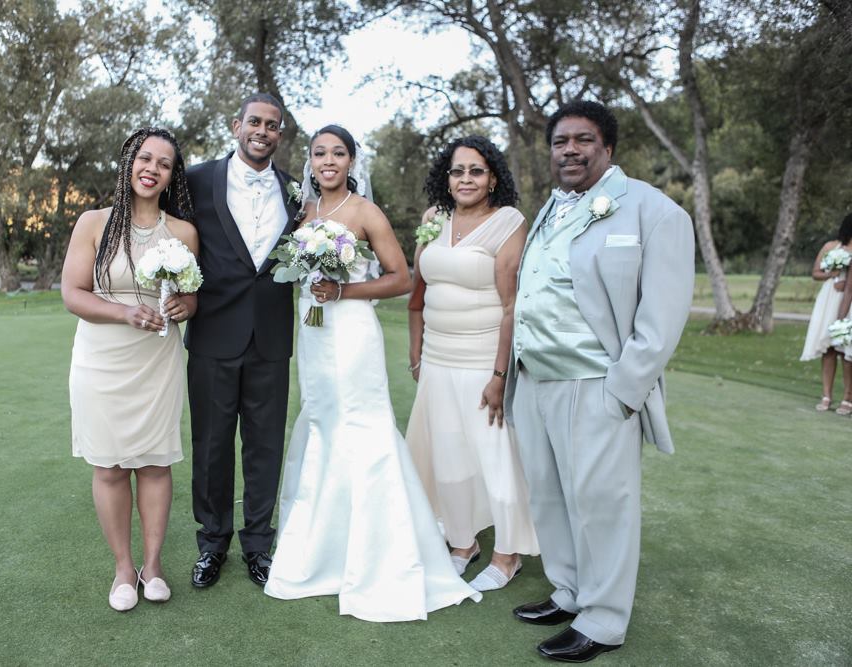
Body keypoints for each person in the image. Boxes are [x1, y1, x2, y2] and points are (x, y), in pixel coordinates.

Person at [263, 125, 481, 621]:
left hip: (352, 331)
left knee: (362, 427)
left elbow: (401, 278)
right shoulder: (302, 212)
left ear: (351, 161)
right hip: (314, 334)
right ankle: (320, 550)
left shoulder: (365, 212)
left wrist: (343, 292)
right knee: (321, 422)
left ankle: (380, 555)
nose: (328, 161)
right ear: (311, 161)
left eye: (338, 153)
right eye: (320, 153)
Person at [506, 101, 694, 662]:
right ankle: (569, 591)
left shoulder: (654, 212)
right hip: (536, 380)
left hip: (597, 383)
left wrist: (622, 391)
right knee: (550, 496)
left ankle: (605, 620)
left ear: (607, 147)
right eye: (560, 141)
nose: (570, 149)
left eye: (583, 140)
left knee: (601, 504)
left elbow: (660, 322)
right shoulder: (550, 208)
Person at [62, 127, 199, 611]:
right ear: (128, 163)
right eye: (145, 158)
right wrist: (123, 312)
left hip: (156, 359)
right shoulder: (94, 223)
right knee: (110, 465)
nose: (152, 168)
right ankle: (123, 568)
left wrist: (185, 305)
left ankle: (153, 565)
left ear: (170, 176)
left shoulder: (183, 233)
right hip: (101, 358)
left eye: (163, 163)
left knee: (156, 463)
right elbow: (72, 293)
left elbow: (190, 295)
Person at [404, 135, 539, 593]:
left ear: (493, 178)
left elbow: (510, 306)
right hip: (438, 356)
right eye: (458, 170)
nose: (466, 179)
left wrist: (500, 376)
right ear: (447, 176)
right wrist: (416, 347)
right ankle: (463, 543)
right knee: (448, 453)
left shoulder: (508, 222)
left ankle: (508, 552)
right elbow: (418, 290)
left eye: (476, 170)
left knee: (495, 456)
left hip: (483, 357)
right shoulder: (434, 219)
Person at [183, 93, 300, 589]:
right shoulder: (196, 179)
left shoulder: (297, 191)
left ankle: (258, 545)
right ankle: (212, 544)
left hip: (271, 338)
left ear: (280, 134)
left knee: (264, 447)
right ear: (236, 126)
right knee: (211, 447)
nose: (263, 131)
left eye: (273, 125)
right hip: (212, 331)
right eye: (255, 122)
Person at [801, 214, 852, 414]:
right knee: (829, 348)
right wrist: (833, 274)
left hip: (849, 303)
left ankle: (848, 397)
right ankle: (826, 395)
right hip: (830, 300)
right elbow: (816, 273)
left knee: (846, 351)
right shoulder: (831, 247)